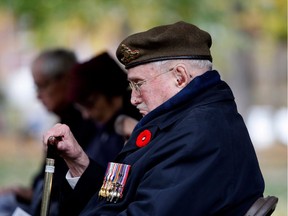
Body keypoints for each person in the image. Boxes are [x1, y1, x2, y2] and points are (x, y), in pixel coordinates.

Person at [43, 21, 265, 216]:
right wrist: (80, 164)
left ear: (180, 76)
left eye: (139, 84)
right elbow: (119, 197)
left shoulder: (198, 133)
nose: (133, 98)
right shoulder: (183, 121)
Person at [0, 48, 96, 216]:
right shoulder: (64, 121)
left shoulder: (87, 124)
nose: (38, 95)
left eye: (42, 85)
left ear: (67, 79)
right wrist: (28, 192)